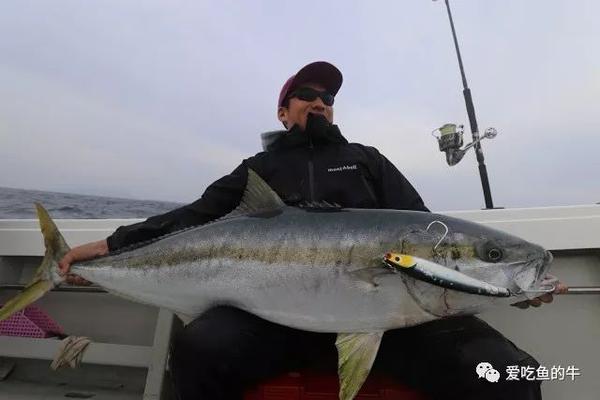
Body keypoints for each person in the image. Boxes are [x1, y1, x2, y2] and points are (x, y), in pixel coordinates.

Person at [59, 61, 565, 400]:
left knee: (507, 373)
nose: (319, 101)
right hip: (270, 321)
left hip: (394, 321)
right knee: (198, 351)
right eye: (306, 95)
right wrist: (105, 248)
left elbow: (428, 231)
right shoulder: (255, 170)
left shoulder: (368, 161)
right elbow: (190, 217)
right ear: (284, 112)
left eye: (327, 97)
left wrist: (508, 288)